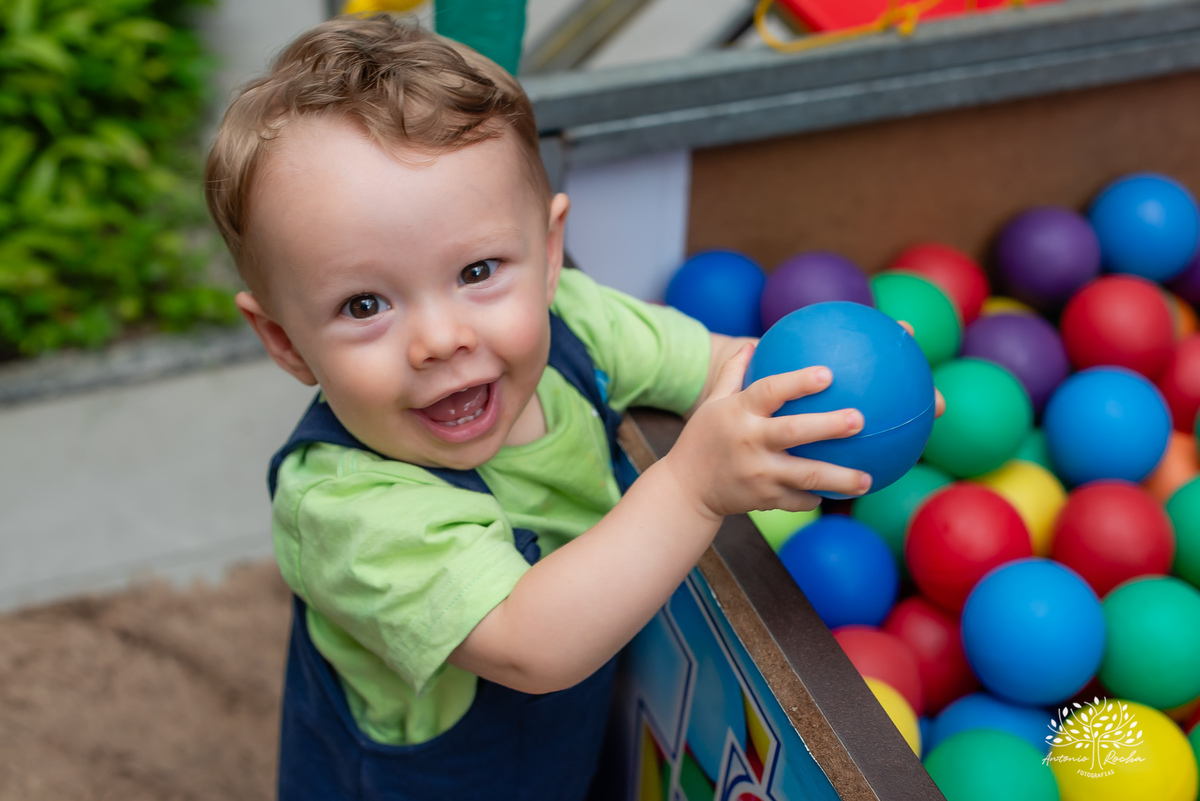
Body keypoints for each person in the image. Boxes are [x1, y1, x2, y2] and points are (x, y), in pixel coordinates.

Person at [204, 15, 889, 800]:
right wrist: (695, 486)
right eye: (365, 304)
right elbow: (535, 643)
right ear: (284, 340)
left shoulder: (577, 320)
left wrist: (848, 379)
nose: (441, 339)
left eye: (477, 270)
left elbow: (726, 366)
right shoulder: (345, 506)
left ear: (550, 250)